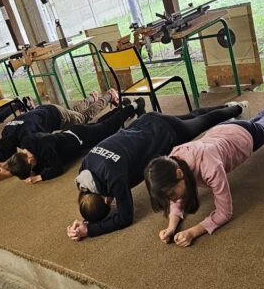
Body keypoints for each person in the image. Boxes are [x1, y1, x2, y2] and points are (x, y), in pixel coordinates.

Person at [145, 95, 264, 248]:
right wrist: (171, 227)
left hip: (245, 137)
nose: (172, 200)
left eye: (171, 194)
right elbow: (176, 196)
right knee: (262, 118)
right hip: (223, 130)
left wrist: (193, 232)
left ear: (179, 173)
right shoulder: (173, 160)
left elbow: (224, 212)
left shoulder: (209, 165)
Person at [68, 103, 245, 241]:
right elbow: (92, 194)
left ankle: (237, 108)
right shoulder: (84, 169)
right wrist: (86, 222)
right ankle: (227, 107)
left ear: (106, 200)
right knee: (193, 117)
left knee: (201, 122)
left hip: (163, 133)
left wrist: (90, 230)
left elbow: (125, 218)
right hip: (145, 121)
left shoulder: (113, 177)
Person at [3, 102, 138, 183]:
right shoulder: (26, 142)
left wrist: (39, 177)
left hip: (81, 138)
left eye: (31, 168)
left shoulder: (45, 148)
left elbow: (57, 168)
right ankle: (121, 107)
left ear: (30, 160)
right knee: (99, 124)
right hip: (70, 132)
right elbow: (40, 163)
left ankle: (134, 105)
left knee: (107, 128)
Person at [0, 91, 130, 166]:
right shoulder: (6, 131)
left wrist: (12, 169)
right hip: (44, 110)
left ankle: (109, 95)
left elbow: (39, 153)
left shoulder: (26, 138)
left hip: (56, 116)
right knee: (74, 113)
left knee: (83, 118)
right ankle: (91, 99)